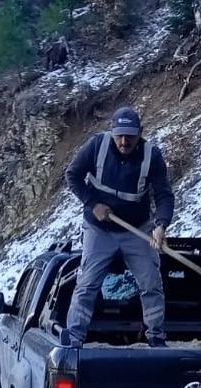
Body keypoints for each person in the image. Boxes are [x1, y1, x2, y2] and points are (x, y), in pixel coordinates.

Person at [63, 106, 175, 347]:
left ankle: (156, 336)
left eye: (130, 136)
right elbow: (72, 175)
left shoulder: (152, 156)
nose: (124, 141)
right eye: (120, 135)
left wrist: (161, 225)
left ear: (140, 132)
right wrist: (93, 204)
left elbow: (164, 195)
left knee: (151, 284)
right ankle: (74, 337)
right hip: (99, 230)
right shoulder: (97, 146)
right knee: (87, 284)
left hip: (138, 229)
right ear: (112, 132)